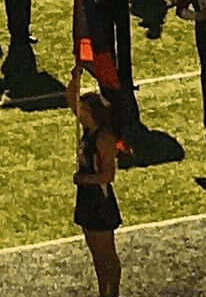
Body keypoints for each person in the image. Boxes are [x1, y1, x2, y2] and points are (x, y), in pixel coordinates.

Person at [69, 63, 125, 297]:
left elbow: (108, 175)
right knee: (96, 256)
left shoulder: (104, 138)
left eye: (84, 109)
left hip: (99, 201)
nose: (79, 111)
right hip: (87, 198)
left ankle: (113, 292)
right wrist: (75, 77)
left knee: (107, 257)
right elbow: (70, 101)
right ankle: (104, 292)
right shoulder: (88, 130)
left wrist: (84, 178)